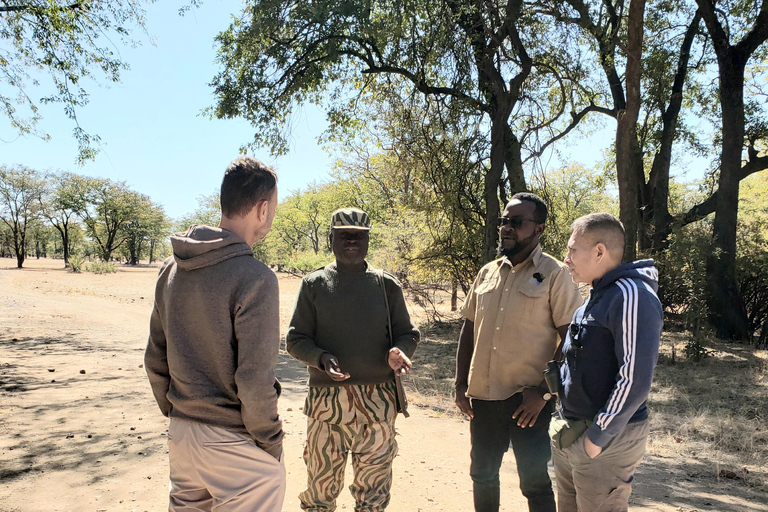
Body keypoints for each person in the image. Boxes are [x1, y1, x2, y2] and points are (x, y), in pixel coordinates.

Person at [144, 156, 285, 512]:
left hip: (182, 435)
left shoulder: (170, 268)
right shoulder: (255, 277)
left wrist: (179, 412)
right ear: (263, 208)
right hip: (232, 441)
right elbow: (254, 380)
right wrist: (270, 442)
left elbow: (154, 357)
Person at [455, 192, 584, 512]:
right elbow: (469, 330)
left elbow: (572, 340)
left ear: (538, 229)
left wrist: (542, 393)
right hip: (484, 397)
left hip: (528, 401)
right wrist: (460, 383)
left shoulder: (556, 274)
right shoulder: (487, 273)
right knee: (482, 474)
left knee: (534, 480)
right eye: (503, 221)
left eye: (516, 222)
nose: (506, 228)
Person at [286, 207, 419, 512]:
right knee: (320, 492)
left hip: (378, 404)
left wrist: (399, 352)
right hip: (326, 405)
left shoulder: (386, 286)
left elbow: (408, 333)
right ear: (331, 238)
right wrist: (322, 359)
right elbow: (295, 340)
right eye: (344, 235)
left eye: (358, 236)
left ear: (367, 240)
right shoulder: (314, 285)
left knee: (373, 495)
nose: (351, 241)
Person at [553, 212, 663, 512]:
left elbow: (635, 378)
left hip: (603, 440)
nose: (567, 258)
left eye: (573, 249)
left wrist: (597, 437)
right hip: (574, 433)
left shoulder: (630, 296)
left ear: (599, 251)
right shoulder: (594, 296)